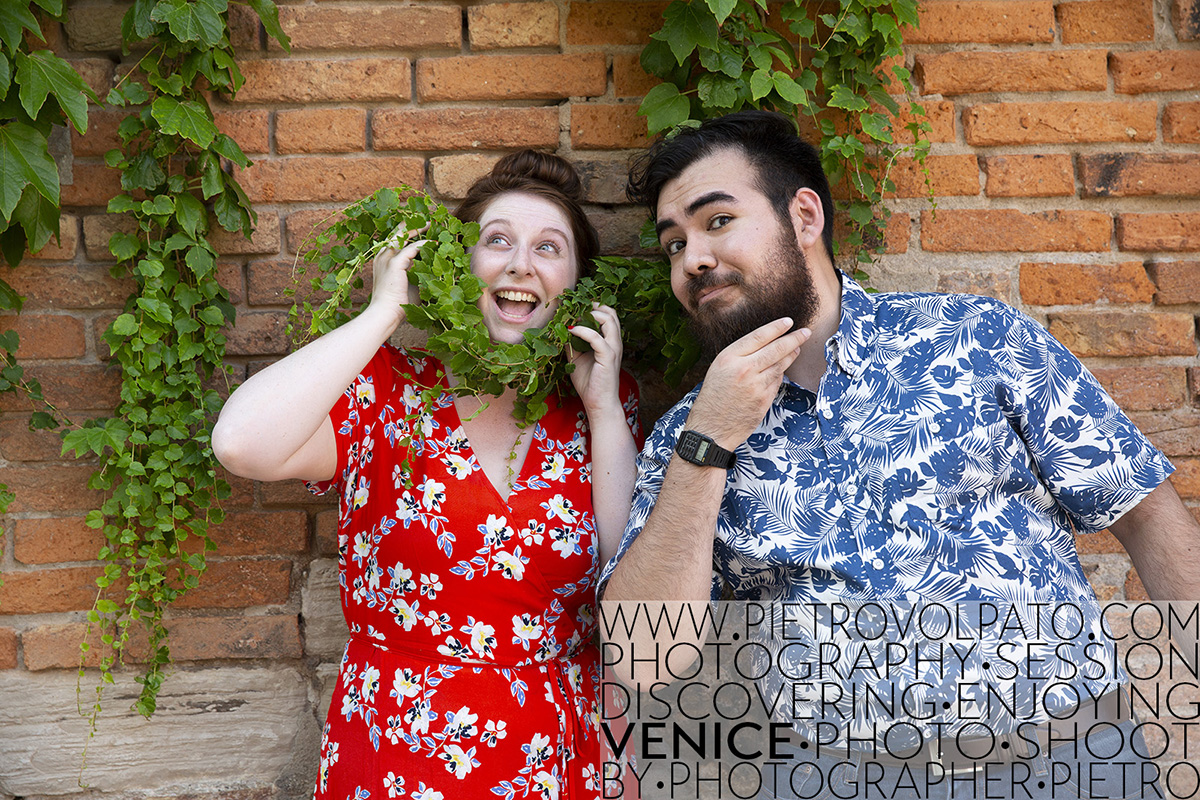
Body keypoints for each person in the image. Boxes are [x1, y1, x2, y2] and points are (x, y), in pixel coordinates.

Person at [598, 111, 1200, 797]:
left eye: (716, 221)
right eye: (673, 244)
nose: (693, 258)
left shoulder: (976, 339)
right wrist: (709, 443)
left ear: (803, 216)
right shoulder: (689, 438)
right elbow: (644, 657)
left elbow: (1146, 514)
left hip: (1066, 763)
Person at [213, 151, 641, 800]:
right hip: (398, 754)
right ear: (460, 265)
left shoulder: (600, 406)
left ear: (576, 284)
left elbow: (628, 587)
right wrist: (382, 313)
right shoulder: (385, 394)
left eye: (549, 248)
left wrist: (605, 408)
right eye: (497, 241)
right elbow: (242, 444)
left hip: (557, 756)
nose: (521, 263)